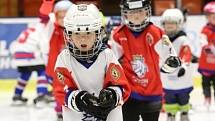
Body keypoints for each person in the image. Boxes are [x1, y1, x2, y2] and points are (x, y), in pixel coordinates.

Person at [54, 4, 130, 121]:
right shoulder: (64, 58)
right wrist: (79, 100)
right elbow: (60, 91)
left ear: (97, 34)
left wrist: (112, 95)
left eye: (88, 33)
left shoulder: (107, 55)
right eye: (77, 33)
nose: (83, 39)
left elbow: (121, 85)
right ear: (69, 35)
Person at [109, 0, 182, 121]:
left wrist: (171, 62)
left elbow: (170, 55)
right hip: (129, 93)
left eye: (140, 11)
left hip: (152, 91)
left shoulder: (156, 32)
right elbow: (112, 62)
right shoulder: (118, 34)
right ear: (125, 14)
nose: (136, 16)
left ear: (147, 11)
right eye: (131, 12)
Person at [39, 0, 73, 120]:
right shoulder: (52, 29)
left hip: (72, 70)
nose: (63, 18)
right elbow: (43, 17)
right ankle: (59, 111)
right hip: (54, 71)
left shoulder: (77, 30)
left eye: (66, 15)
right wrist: (48, 3)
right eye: (60, 15)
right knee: (59, 92)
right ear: (55, 15)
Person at [160, 9, 193, 121]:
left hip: (182, 79)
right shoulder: (161, 39)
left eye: (172, 23)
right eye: (167, 23)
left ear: (179, 24)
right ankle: (171, 115)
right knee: (169, 99)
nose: (169, 26)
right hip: (167, 80)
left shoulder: (183, 40)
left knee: (184, 98)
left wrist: (184, 66)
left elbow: (187, 54)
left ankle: (184, 113)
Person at [10, 25, 50, 106]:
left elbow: (14, 44)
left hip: (18, 56)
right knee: (42, 71)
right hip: (31, 55)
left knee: (25, 73)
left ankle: (17, 95)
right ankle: (41, 95)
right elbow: (44, 46)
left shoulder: (27, 30)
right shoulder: (41, 31)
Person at [198, 1, 215, 109]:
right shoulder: (205, 30)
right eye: (210, 16)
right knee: (205, 83)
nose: (212, 18)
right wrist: (209, 49)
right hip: (206, 64)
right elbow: (202, 42)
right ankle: (207, 99)